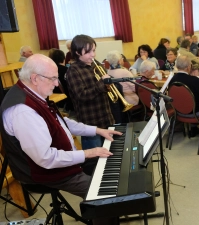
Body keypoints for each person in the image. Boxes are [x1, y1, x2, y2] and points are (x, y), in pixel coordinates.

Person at [0, 54, 121, 225]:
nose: (57, 84)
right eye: (54, 78)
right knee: (102, 193)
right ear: (35, 78)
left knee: (110, 165)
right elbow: (46, 159)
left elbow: (62, 122)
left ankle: (110, 215)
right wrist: (88, 153)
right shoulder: (23, 111)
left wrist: (97, 130)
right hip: (43, 171)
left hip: (59, 160)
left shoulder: (32, 92)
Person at [66, 34, 115, 150]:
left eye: (93, 50)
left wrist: (107, 85)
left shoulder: (96, 64)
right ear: (77, 53)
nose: (92, 54)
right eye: (88, 52)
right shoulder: (73, 71)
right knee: (95, 160)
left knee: (110, 154)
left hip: (106, 117)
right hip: (90, 122)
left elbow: (104, 89)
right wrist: (101, 84)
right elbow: (82, 95)